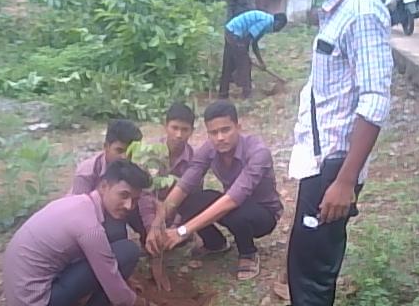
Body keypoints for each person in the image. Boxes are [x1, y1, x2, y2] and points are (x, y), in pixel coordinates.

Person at [259, 0, 392, 306]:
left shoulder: (362, 12)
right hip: (320, 161)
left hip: (335, 167)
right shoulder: (338, 8)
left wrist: (345, 181)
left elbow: (375, 100)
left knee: (316, 260)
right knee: (304, 249)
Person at [3, 160, 165, 306]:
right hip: (36, 302)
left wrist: (124, 279)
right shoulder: (90, 228)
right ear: (103, 186)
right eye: (124, 195)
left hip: (21, 294)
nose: (129, 205)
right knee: (127, 252)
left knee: (115, 250)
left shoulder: (78, 203)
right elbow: (118, 296)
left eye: (135, 200)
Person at [145, 100, 282, 281]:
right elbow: (184, 185)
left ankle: (248, 253)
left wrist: (182, 231)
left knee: (235, 210)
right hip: (232, 203)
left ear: (238, 127)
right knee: (189, 200)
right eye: (214, 132)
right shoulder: (209, 149)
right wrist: (157, 224)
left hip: (263, 214)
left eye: (226, 130)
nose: (220, 138)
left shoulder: (258, 152)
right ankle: (215, 244)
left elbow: (233, 199)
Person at [136, 102, 197, 292]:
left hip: (174, 215)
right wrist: (153, 229)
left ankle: (173, 240)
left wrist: (173, 228)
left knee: (198, 200)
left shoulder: (194, 159)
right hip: (148, 213)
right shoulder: (150, 156)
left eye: (184, 130)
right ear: (165, 126)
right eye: (174, 128)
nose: (179, 135)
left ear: (192, 131)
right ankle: (152, 247)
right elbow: (144, 196)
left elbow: (191, 198)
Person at [70, 119, 145, 243]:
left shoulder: (135, 166)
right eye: (119, 150)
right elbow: (78, 213)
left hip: (120, 207)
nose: (125, 157)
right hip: (93, 218)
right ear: (106, 147)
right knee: (116, 234)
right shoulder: (87, 172)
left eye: (130, 152)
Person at [219, 10, 287, 99]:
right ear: (277, 22)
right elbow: (248, 38)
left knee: (229, 64)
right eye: (280, 27)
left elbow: (254, 44)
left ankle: (223, 94)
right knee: (244, 64)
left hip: (230, 30)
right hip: (234, 33)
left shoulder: (266, 23)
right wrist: (246, 56)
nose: (278, 30)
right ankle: (246, 94)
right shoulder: (266, 22)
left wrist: (261, 62)